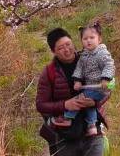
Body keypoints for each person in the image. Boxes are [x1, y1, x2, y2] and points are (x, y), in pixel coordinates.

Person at [36, 27, 107, 156]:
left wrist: (94, 103)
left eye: (68, 44)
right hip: (64, 137)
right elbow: (41, 105)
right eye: (61, 48)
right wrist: (65, 105)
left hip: (92, 130)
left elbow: (107, 89)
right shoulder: (48, 72)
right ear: (53, 51)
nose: (67, 49)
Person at [64, 22, 116, 136]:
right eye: (85, 38)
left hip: (101, 87)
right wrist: (77, 80)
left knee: (82, 98)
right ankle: (92, 126)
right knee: (89, 104)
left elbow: (109, 65)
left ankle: (67, 117)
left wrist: (105, 78)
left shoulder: (102, 53)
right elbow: (79, 68)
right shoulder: (84, 55)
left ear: (99, 39)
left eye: (92, 38)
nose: (88, 41)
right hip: (90, 86)